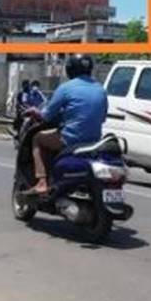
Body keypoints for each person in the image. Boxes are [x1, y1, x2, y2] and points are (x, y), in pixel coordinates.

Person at [25, 54, 108, 196]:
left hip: (70, 139)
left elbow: (46, 115)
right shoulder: (101, 89)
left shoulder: (66, 88)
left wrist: (34, 111)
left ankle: (42, 182)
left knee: (37, 139)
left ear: (70, 69)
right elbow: (103, 117)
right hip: (94, 141)